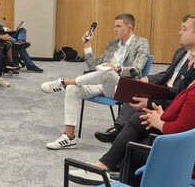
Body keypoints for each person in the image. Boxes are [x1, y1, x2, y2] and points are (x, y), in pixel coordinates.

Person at [68, 32, 195, 186]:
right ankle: (108, 169)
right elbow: (194, 120)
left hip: (194, 161)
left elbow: (179, 130)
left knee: (137, 142)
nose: (194, 54)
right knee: (140, 121)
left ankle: (119, 186)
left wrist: (160, 122)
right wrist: (163, 117)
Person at [94, 14, 195, 143]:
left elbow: (180, 93)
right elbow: (168, 74)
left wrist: (149, 102)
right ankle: (118, 129)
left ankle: (120, 134)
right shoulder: (181, 52)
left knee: (138, 110)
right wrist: (148, 79)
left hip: (173, 95)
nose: (179, 32)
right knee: (136, 88)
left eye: (184, 29)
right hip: (165, 89)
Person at [41, 13, 150, 150]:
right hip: (103, 83)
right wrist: (87, 44)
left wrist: (116, 68)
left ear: (130, 27)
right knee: (72, 89)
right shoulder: (112, 44)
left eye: (118, 26)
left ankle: (65, 81)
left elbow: (137, 69)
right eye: (114, 26)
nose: (115, 29)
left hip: (123, 88)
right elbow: (94, 67)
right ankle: (69, 137)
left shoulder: (141, 43)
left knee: (108, 72)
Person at [0, 0, 42, 73]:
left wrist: (7, 29)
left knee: (22, 30)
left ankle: (20, 41)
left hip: (5, 33)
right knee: (20, 47)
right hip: (1, 36)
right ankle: (30, 65)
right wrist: (5, 30)